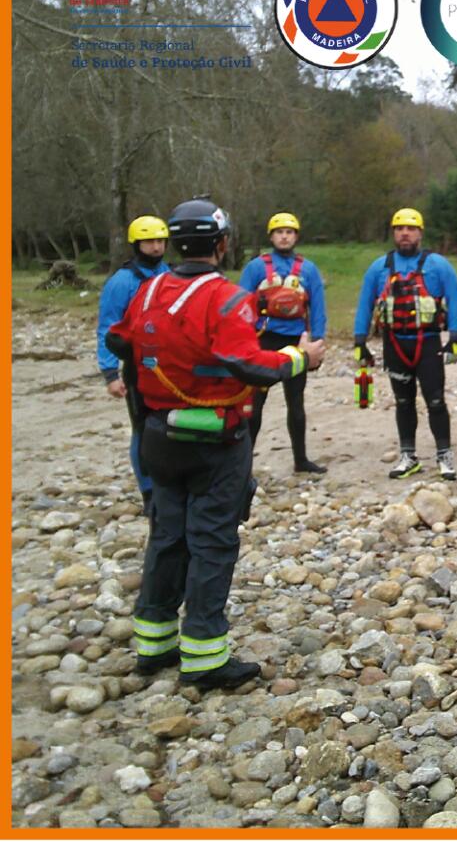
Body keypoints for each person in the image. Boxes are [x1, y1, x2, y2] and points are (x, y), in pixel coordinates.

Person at [106, 197, 325, 689]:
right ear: (222, 244)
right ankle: (204, 655)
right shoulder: (227, 299)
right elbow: (249, 364)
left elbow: (120, 341)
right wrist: (300, 357)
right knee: (212, 540)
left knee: (165, 534)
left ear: (175, 242)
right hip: (215, 442)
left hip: (158, 436)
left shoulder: (147, 290)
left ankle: (153, 643)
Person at [354, 208, 457, 480]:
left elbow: (455, 299)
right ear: (393, 233)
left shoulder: (438, 265)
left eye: (411, 228)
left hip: (427, 344)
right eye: (399, 228)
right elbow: (365, 305)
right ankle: (408, 455)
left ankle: (444, 456)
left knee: (435, 401)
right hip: (394, 344)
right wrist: (360, 341)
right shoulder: (378, 267)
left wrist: (455, 338)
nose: (405, 233)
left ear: (420, 233)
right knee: (403, 401)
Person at [238, 212, 328, 474]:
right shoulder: (256, 268)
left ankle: (301, 460)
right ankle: (243, 463)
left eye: (289, 232)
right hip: (262, 339)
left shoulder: (308, 270)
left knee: (296, 403)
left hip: (295, 340)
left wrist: (317, 343)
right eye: (279, 232)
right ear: (271, 236)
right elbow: (241, 304)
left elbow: (318, 308)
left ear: (296, 236)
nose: (284, 236)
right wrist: (243, 340)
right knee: (254, 405)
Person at [96, 215, 171, 512]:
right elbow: (108, 327)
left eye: (160, 241)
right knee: (143, 428)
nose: (156, 247)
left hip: (169, 366)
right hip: (137, 366)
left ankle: (169, 481)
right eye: (149, 241)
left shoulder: (170, 275)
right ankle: (148, 489)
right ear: (137, 244)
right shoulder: (122, 282)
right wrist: (110, 373)